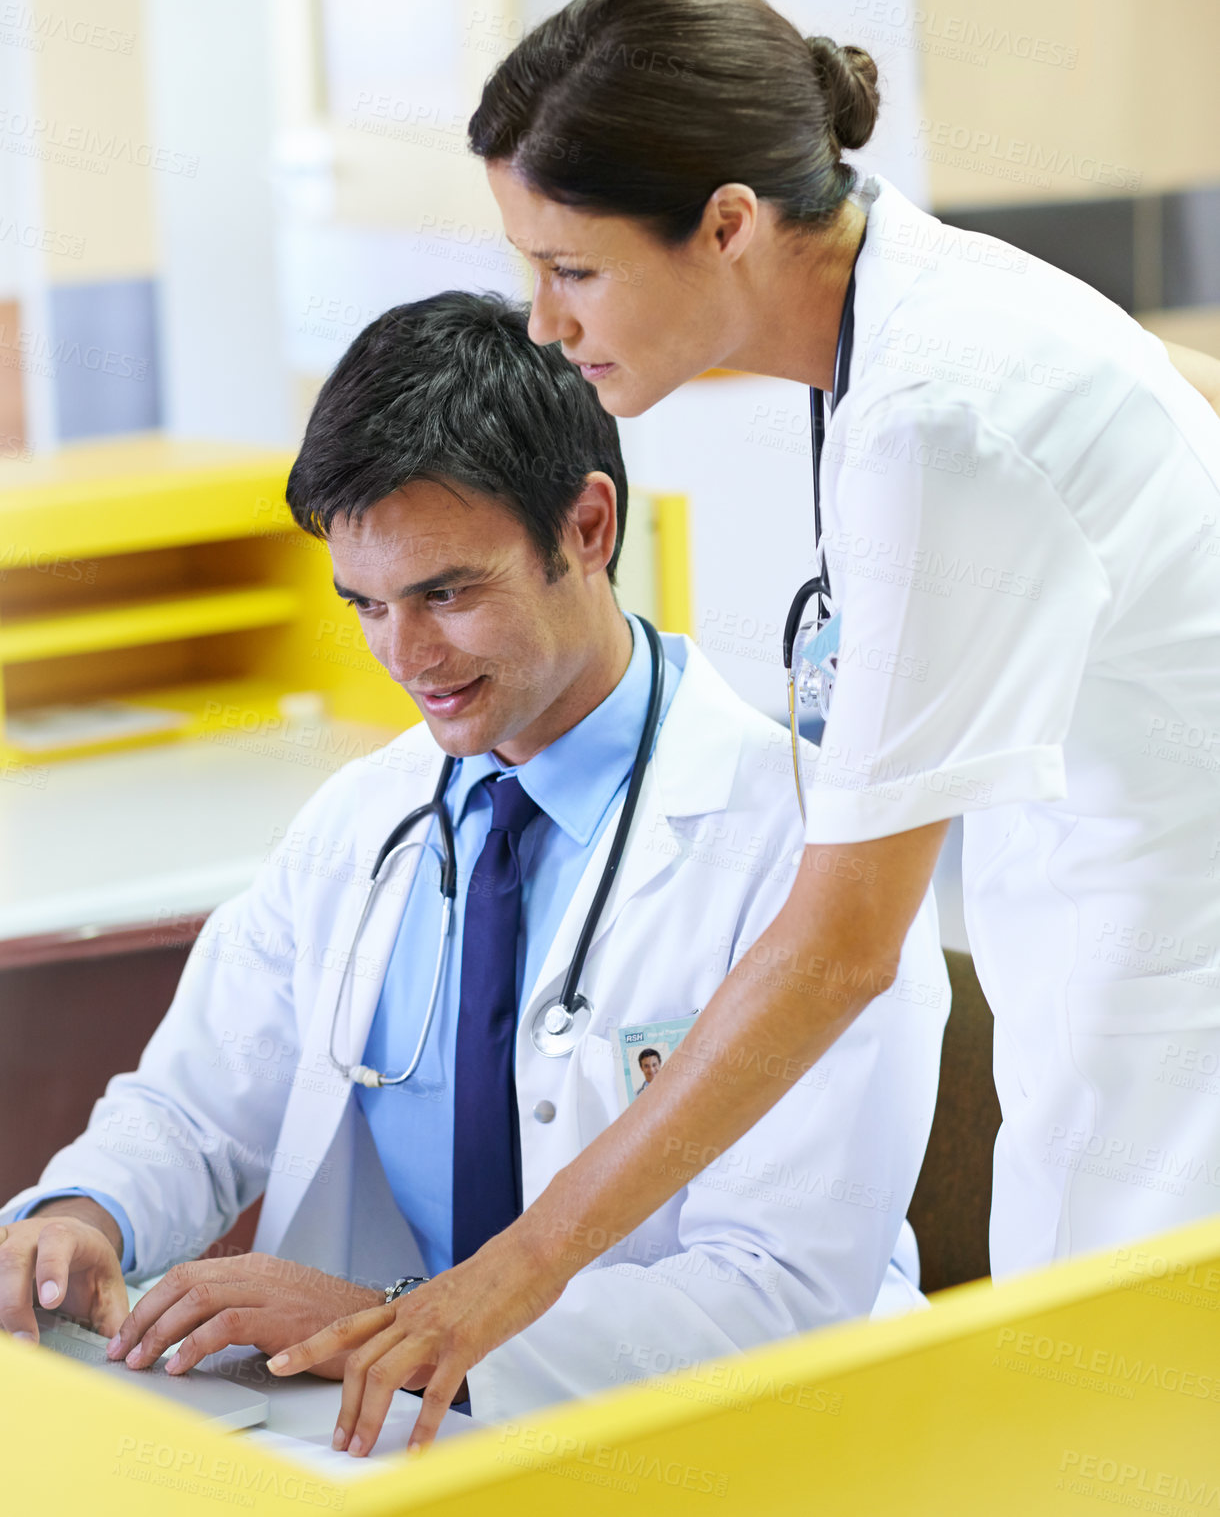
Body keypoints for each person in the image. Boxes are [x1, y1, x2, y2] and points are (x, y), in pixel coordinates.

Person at [271, 0, 1220, 1452]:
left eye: (572, 269)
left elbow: (841, 946)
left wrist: (502, 1281)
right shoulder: (911, 316)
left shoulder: (932, 407)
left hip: (1179, 1034)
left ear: (727, 224)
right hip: (1109, 972)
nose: (545, 322)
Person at [0, 291, 948, 1430]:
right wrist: (81, 1213)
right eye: (366, 606)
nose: (409, 656)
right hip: (410, 1432)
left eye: (446, 593)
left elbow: (778, 1293)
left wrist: (384, 1321)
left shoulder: (804, 852)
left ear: (588, 529)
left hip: (738, 1446)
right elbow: (196, 1108)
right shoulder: (362, 819)